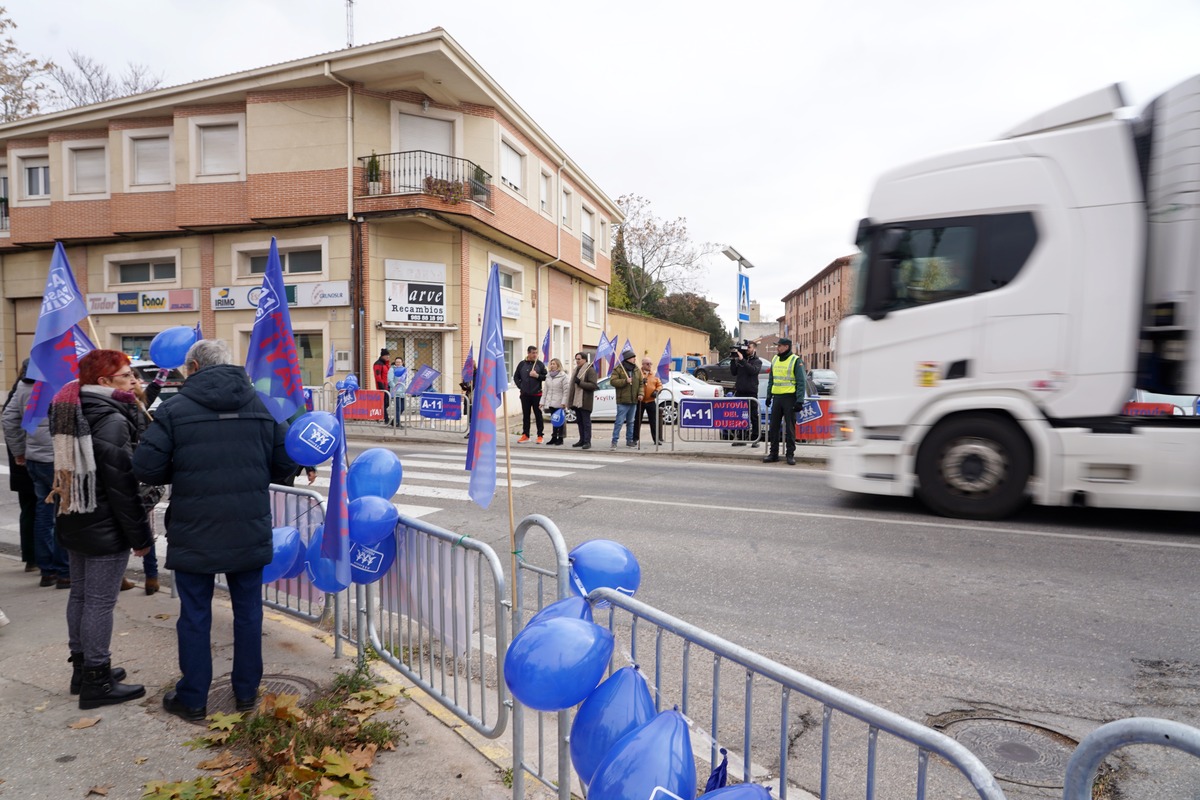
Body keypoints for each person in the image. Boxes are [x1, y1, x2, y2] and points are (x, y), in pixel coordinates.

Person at [132, 339, 296, 722]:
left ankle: (192, 698)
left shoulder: (175, 409)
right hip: (247, 526)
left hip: (195, 528)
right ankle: (245, 694)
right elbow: (284, 462)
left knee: (194, 615)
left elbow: (146, 467)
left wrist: (183, 469)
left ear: (192, 367)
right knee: (249, 614)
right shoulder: (263, 405)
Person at [47, 349, 154, 709]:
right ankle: (97, 679)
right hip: (104, 523)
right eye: (126, 375)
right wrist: (140, 537)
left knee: (80, 595)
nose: (133, 381)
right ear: (105, 382)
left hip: (75, 513)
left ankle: (81, 669)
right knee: (98, 602)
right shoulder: (110, 418)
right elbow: (123, 486)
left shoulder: (70, 406)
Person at [2, 359, 71, 588]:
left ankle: (47, 571)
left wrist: (19, 451)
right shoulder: (59, 386)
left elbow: (8, 419)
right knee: (63, 514)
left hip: (35, 459)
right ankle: (63, 571)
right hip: (58, 459)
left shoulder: (23, 386)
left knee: (43, 513)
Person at [2, 360, 39, 573]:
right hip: (31, 459)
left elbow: (9, 421)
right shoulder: (31, 390)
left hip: (23, 461)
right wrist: (20, 452)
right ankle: (39, 558)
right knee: (42, 511)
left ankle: (32, 558)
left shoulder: (18, 390)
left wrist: (19, 451)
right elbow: (9, 421)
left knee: (30, 510)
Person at [763, 337, 806, 466]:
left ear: (787, 347)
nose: (778, 348)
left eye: (780, 346)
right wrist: (769, 395)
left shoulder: (795, 360)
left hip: (789, 398)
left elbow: (801, 381)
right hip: (777, 398)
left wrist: (799, 400)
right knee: (774, 428)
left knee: (790, 428)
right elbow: (771, 379)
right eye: (777, 345)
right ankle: (773, 454)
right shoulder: (775, 359)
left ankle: (790, 455)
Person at [729, 340, 763, 448]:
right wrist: (733, 360)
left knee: (753, 416)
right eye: (746, 347)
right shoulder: (740, 359)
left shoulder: (757, 361)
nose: (747, 349)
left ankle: (755, 439)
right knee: (740, 416)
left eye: (749, 347)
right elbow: (733, 372)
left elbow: (752, 371)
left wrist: (742, 360)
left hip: (751, 392)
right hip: (740, 391)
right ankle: (741, 438)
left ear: (754, 349)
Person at [608, 348, 642, 449]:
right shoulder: (618, 369)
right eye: (633, 358)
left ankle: (629, 440)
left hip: (633, 400)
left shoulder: (636, 369)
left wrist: (640, 394)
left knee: (631, 422)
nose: (635, 359)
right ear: (628, 359)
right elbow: (613, 381)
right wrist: (625, 381)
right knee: (619, 422)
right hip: (622, 400)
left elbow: (641, 383)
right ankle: (614, 441)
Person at [513, 345, 546, 443]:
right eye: (533, 353)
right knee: (526, 415)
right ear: (528, 353)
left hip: (537, 395)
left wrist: (537, 376)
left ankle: (540, 435)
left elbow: (545, 377)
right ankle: (525, 435)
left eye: (536, 353)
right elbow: (516, 377)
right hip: (525, 395)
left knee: (538, 415)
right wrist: (521, 386)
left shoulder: (540, 364)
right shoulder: (522, 364)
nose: (535, 355)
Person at [566, 353, 598, 450]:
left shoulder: (590, 370)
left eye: (579, 359)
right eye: (576, 359)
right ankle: (581, 440)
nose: (577, 361)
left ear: (584, 360)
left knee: (586, 422)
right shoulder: (576, 370)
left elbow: (593, 386)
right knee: (579, 421)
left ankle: (587, 441)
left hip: (585, 400)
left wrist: (580, 383)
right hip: (576, 400)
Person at [634, 358, 663, 447]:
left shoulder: (654, 374)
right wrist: (641, 383)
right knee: (637, 421)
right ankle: (635, 439)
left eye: (650, 364)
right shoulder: (638, 373)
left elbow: (660, 385)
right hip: (640, 401)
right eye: (647, 364)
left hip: (651, 401)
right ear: (642, 365)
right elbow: (635, 384)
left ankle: (656, 439)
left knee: (653, 421)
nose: (649, 365)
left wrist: (657, 391)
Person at [540, 357, 569, 445]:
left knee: (560, 422)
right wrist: (542, 402)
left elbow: (566, 390)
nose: (552, 366)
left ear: (558, 365)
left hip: (560, 403)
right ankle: (553, 437)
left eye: (554, 364)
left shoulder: (563, 376)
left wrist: (564, 402)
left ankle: (560, 438)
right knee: (554, 421)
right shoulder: (548, 376)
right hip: (551, 402)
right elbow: (545, 390)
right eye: (551, 364)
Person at [372, 348, 391, 424]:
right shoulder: (378, 364)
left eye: (388, 356)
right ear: (383, 356)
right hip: (382, 387)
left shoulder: (385, 364)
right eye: (386, 355)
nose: (388, 357)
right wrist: (381, 387)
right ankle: (386, 419)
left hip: (386, 386)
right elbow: (378, 376)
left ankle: (380, 415)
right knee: (384, 403)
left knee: (386, 403)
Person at [390, 357, 408, 425]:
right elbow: (390, 380)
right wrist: (395, 388)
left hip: (402, 392)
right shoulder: (392, 369)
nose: (398, 363)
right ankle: (398, 423)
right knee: (398, 407)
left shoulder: (404, 370)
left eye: (399, 362)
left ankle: (394, 421)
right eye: (396, 362)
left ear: (402, 362)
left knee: (402, 407)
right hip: (396, 391)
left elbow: (405, 380)